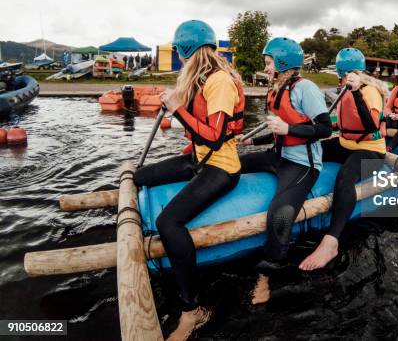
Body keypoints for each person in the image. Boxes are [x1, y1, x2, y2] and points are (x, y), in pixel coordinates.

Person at [133, 20, 245, 340]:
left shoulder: (220, 80)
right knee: (140, 176)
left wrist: (178, 109)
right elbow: (200, 136)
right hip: (200, 159)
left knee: (170, 223)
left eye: (179, 50)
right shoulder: (200, 78)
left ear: (185, 49)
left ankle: (193, 309)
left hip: (221, 168)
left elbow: (214, 137)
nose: (180, 57)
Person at [237, 37, 332, 299]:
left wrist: (288, 128)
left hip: (302, 164)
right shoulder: (277, 90)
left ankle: (268, 274)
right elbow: (279, 134)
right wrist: (251, 140)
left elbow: (325, 128)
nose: (266, 68)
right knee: (233, 164)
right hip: (278, 156)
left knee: (280, 215)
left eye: (269, 63)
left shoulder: (306, 88)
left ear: (282, 63)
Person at [299, 47, 388, 271]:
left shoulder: (369, 91)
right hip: (345, 144)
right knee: (310, 148)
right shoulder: (344, 90)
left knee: (346, 175)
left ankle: (331, 241)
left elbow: (371, 126)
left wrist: (357, 92)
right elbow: (344, 122)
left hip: (371, 150)